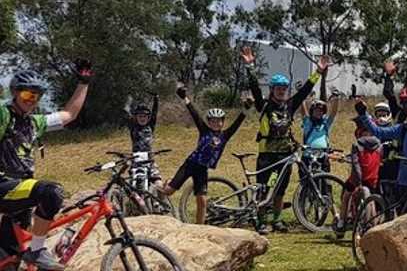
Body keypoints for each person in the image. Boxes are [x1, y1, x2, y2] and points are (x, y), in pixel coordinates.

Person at [0, 61, 91, 271]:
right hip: (4, 185)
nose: (32, 101)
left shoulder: (34, 122)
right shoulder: (4, 115)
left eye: (36, 96)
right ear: (15, 93)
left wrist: (83, 83)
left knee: (15, 268)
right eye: (27, 95)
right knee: (51, 192)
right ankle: (38, 249)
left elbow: (69, 115)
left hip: (20, 196)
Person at [241, 47, 331, 233]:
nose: (281, 91)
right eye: (278, 88)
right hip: (267, 154)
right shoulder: (264, 105)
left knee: (280, 189)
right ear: (272, 89)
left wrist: (319, 72)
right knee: (266, 187)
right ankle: (261, 220)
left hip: (285, 154)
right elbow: (255, 88)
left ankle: (277, 219)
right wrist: (250, 66)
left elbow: (305, 90)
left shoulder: (290, 105)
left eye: (284, 88)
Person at [160, 85, 248, 224]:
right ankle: (165, 183)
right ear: (209, 122)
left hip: (202, 170)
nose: (216, 123)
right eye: (213, 120)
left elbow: (237, 124)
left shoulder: (225, 135)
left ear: (223, 122)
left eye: (219, 120)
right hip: (190, 164)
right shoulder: (204, 130)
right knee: (169, 191)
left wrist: (246, 109)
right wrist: (185, 98)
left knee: (202, 201)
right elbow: (195, 114)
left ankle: (199, 228)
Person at [335, 121, 383, 237]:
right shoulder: (379, 146)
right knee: (372, 201)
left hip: (357, 179)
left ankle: (341, 223)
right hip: (372, 180)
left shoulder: (357, 145)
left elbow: (356, 163)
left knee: (346, 195)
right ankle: (373, 224)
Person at [122, 92, 161, 184]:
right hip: (136, 161)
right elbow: (125, 111)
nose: (142, 118)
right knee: (134, 185)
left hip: (149, 160)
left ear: (148, 118)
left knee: (159, 184)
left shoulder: (150, 126)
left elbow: (155, 112)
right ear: (136, 117)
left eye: (145, 116)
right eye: (140, 116)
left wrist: (156, 99)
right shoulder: (133, 127)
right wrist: (129, 100)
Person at [301, 93, 341, 173]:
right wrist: (302, 96)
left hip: (323, 156)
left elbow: (333, 113)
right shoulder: (308, 122)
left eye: (321, 111)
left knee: (324, 182)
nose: (319, 112)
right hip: (308, 156)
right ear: (312, 112)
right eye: (316, 110)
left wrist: (336, 99)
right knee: (307, 181)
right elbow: (303, 110)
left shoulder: (325, 123)